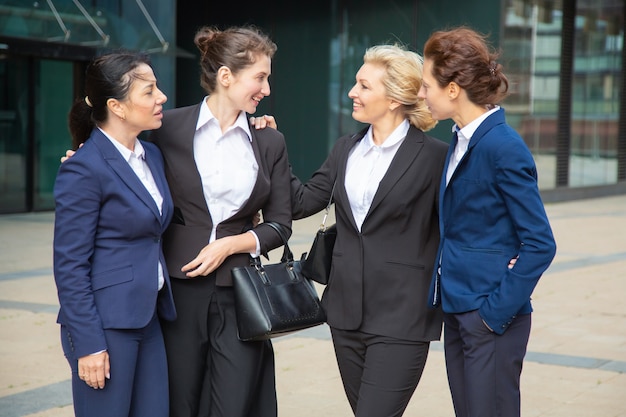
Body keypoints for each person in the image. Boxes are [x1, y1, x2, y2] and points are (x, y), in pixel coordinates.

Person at [289, 44, 449, 416]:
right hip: (345, 313)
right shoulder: (347, 148)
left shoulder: (435, 156)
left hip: (403, 315)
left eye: (363, 85)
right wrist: (270, 146)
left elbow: (458, 225)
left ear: (393, 99)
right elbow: (303, 202)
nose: (352, 93)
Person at [149, 26, 292, 417]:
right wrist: (79, 160)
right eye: (259, 77)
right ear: (226, 76)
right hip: (179, 289)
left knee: (235, 402)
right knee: (179, 401)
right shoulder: (168, 129)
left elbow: (280, 224)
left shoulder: (268, 141)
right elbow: (123, 161)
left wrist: (231, 244)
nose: (266, 88)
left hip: (241, 291)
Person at [418, 27, 557, 417]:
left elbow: (540, 243)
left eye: (427, 84)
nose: (421, 93)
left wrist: (492, 316)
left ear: (452, 88)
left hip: (490, 318)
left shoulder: (504, 147)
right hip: (458, 309)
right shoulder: (460, 138)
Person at [53, 52, 176, 417]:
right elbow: (70, 266)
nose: (162, 98)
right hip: (104, 326)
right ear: (116, 106)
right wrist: (89, 344)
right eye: (149, 91)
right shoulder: (83, 169)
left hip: (149, 318)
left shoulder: (151, 155)